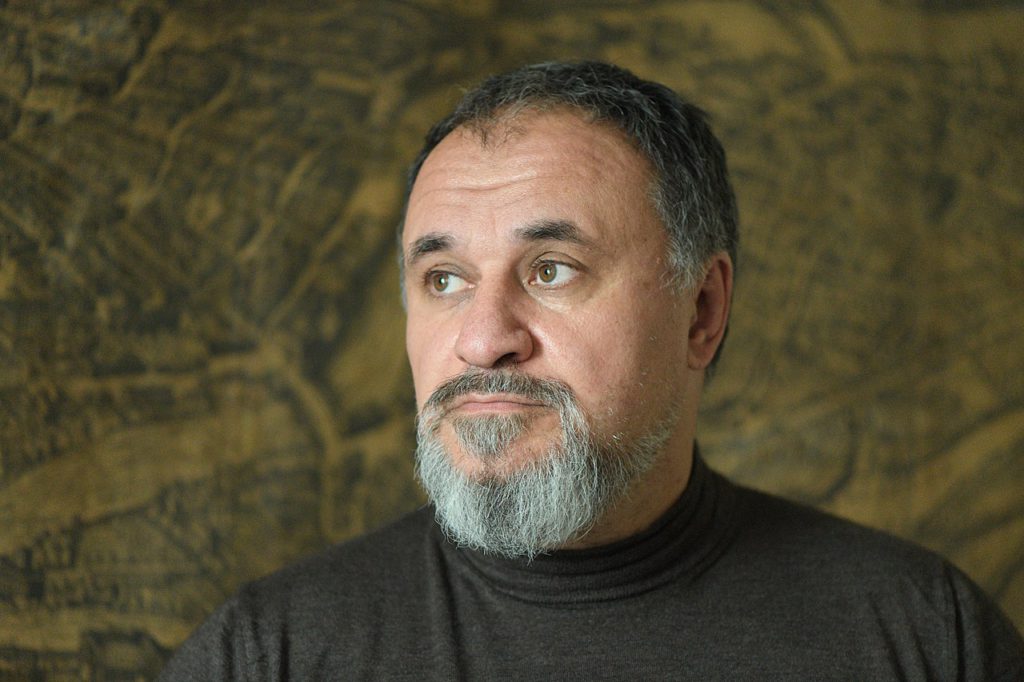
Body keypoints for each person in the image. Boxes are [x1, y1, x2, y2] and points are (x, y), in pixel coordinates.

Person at [159, 61, 1023, 680]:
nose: (482, 341)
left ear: (701, 311)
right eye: (444, 280)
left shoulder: (920, 635)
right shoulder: (268, 653)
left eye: (551, 270)